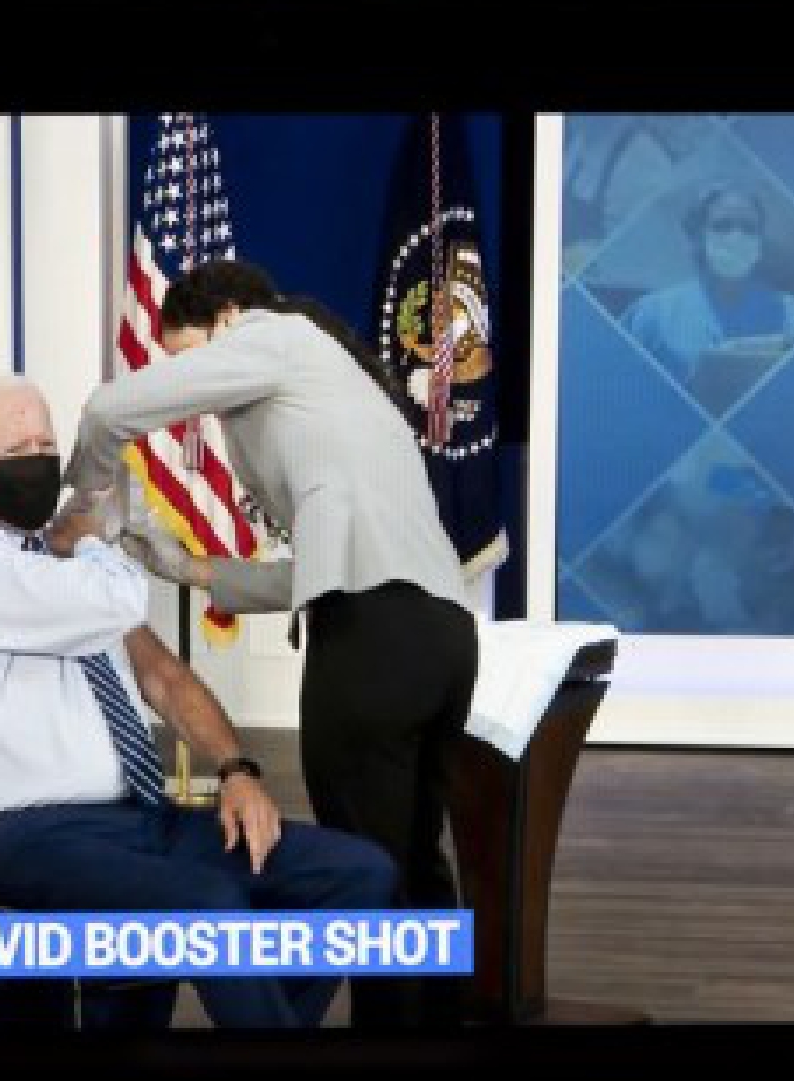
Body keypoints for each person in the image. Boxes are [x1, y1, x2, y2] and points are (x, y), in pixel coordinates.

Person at [0, 372, 396, 1030]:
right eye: (21, 451)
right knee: (210, 906)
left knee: (359, 872)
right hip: (20, 836)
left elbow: (162, 675)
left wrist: (238, 771)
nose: (44, 462)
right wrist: (93, 537)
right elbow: (118, 598)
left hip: (138, 819)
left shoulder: (55, 563)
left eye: (49, 443)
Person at [63, 259, 479, 1030]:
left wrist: (82, 506)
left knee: (369, 872)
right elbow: (317, 567)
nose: (198, 396)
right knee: (419, 866)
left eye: (193, 362)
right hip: (442, 639)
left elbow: (108, 411)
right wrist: (183, 565)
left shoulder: (270, 335)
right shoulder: (329, 380)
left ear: (227, 317)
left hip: (372, 643)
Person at [621, 183, 794, 399]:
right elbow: (616, 382)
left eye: (748, 227)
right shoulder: (654, 314)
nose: (736, 237)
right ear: (697, 236)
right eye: (722, 225)